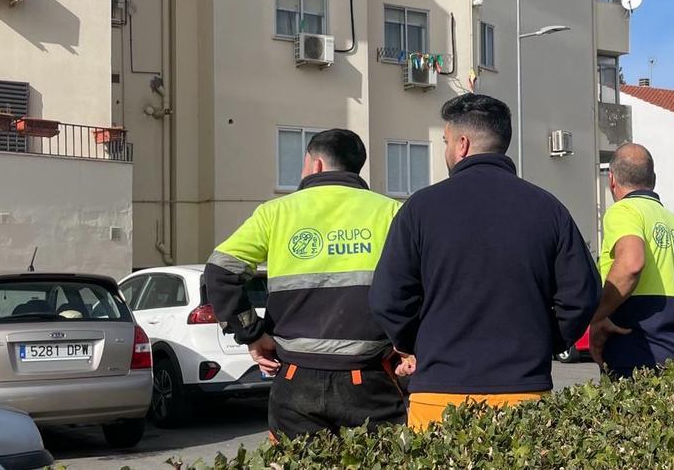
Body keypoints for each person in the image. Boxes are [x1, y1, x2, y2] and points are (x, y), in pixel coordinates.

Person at [369, 93, 600, 431]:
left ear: (462, 144)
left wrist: (418, 344)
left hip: (439, 397)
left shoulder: (420, 209)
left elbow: (388, 299)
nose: (446, 150)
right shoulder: (548, 209)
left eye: (446, 141)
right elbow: (583, 295)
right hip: (524, 395)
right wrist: (546, 340)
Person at [203, 129, 406, 439]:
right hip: (369, 379)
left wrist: (252, 334)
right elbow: (419, 284)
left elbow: (220, 271)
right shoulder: (391, 212)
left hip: (296, 381)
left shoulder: (276, 213)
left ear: (317, 165)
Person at [587, 143, 674, 379]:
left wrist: (596, 316)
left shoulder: (624, 211)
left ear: (612, 179)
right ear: (654, 179)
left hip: (634, 360)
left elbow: (631, 264)